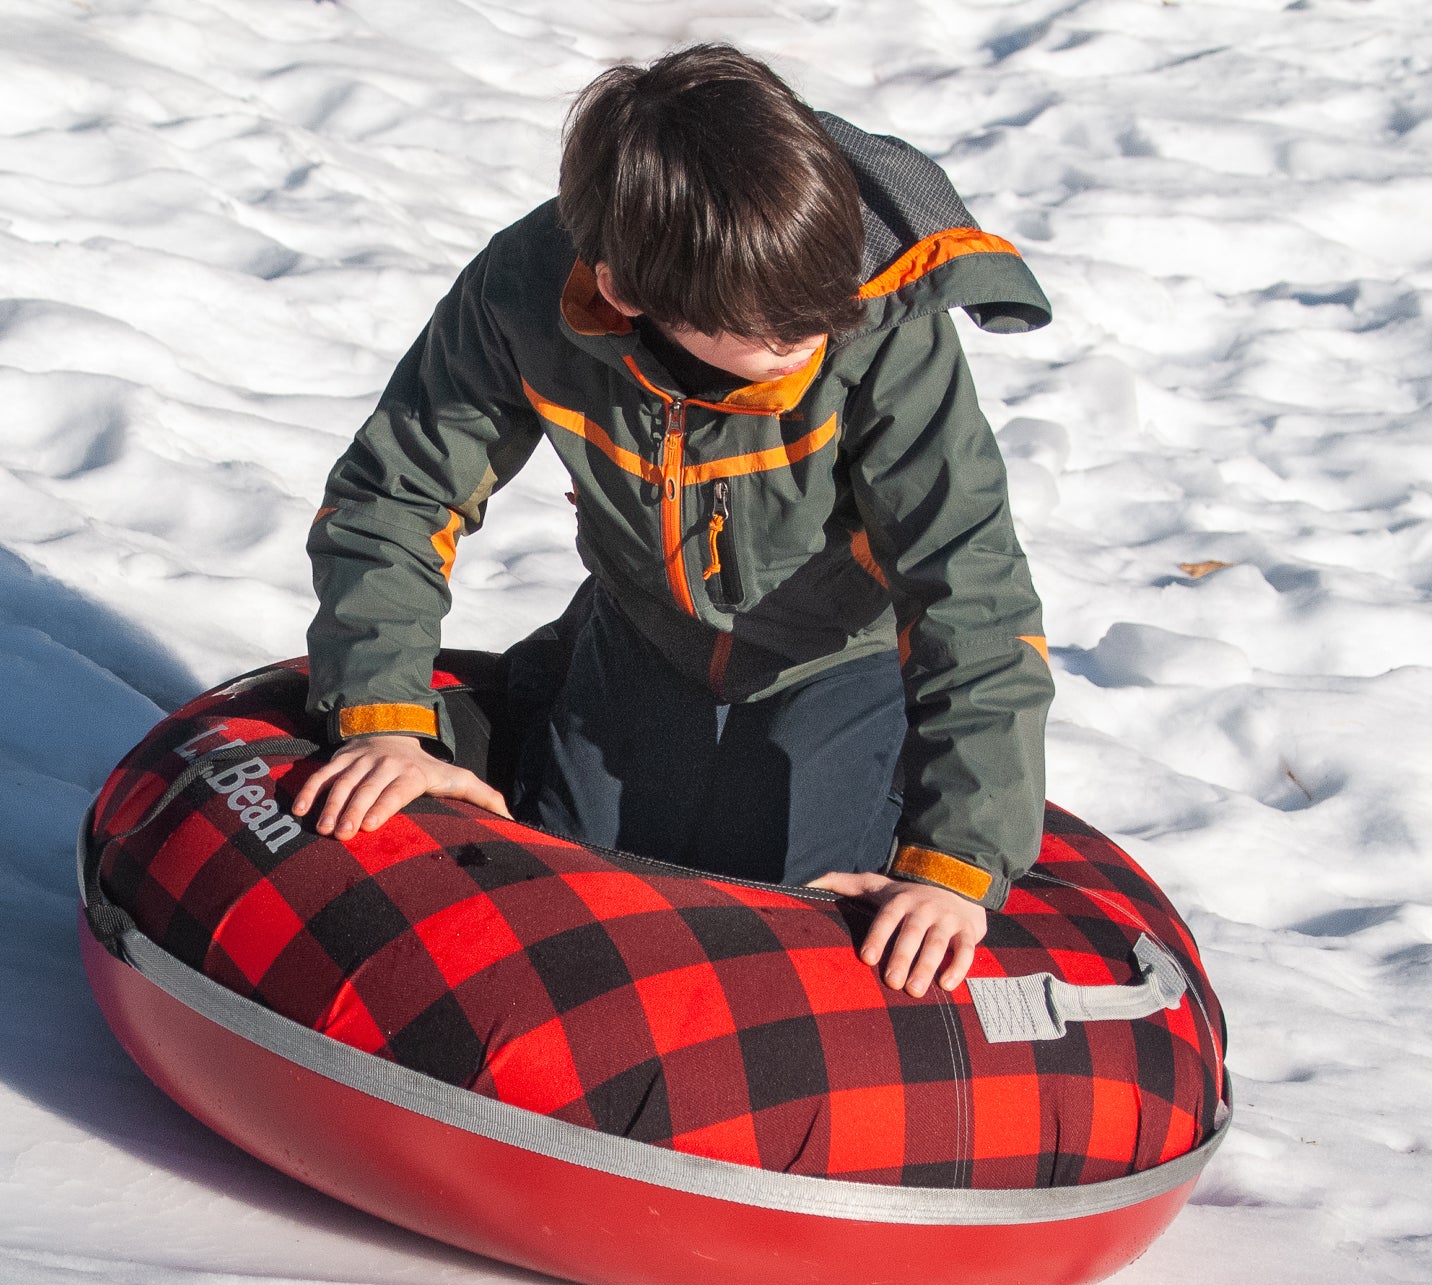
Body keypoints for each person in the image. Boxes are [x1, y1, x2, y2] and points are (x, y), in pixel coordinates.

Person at [292, 45, 1053, 1000]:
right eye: (774, 335)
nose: (810, 343)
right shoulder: (527, 296)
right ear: (626, 293)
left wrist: (955, 864)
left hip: (837, 662)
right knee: (557, 912)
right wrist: (383, 721)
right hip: (640, 640)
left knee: (781, 944)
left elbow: (971, 582)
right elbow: (395, 495)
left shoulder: (873, 313)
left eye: (823, 315)